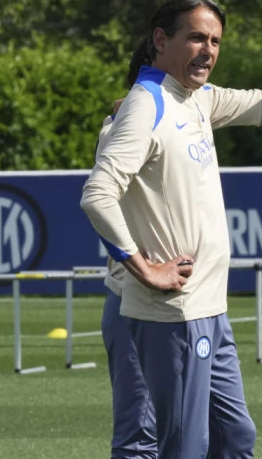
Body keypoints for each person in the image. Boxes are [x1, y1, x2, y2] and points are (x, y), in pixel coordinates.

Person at [81, 0, 262, 458]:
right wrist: (145, 269)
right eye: (196, 38)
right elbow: (97, 195)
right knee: (171, 446)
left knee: (234, 438)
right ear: (160, 40)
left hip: (210, 309)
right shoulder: (146, 105)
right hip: (174, 311)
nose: (208, 50)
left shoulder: (196, 98)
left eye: (215, 41)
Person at [97, 109, 157, 458]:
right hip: (134, 298)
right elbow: (97, 199)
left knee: (222, 430)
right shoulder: (124, 128)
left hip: (187, 305)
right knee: (140, 438)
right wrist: (144, 269)